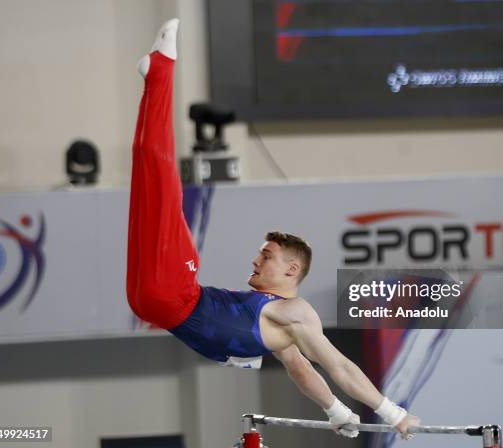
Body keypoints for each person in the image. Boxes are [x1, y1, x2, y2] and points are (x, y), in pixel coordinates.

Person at [126, 18, 420, 440]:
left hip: (168, 297)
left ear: (291, 271)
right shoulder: (280, 331)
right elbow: (303, 372)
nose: (255, 258)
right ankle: (153, 78)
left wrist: (392, 414)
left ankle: (162, 69)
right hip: (155, 301)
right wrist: (336, 410)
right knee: (146, 171)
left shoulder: (294, 314)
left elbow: (336, 366)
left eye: (267, 256)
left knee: (162, 174)